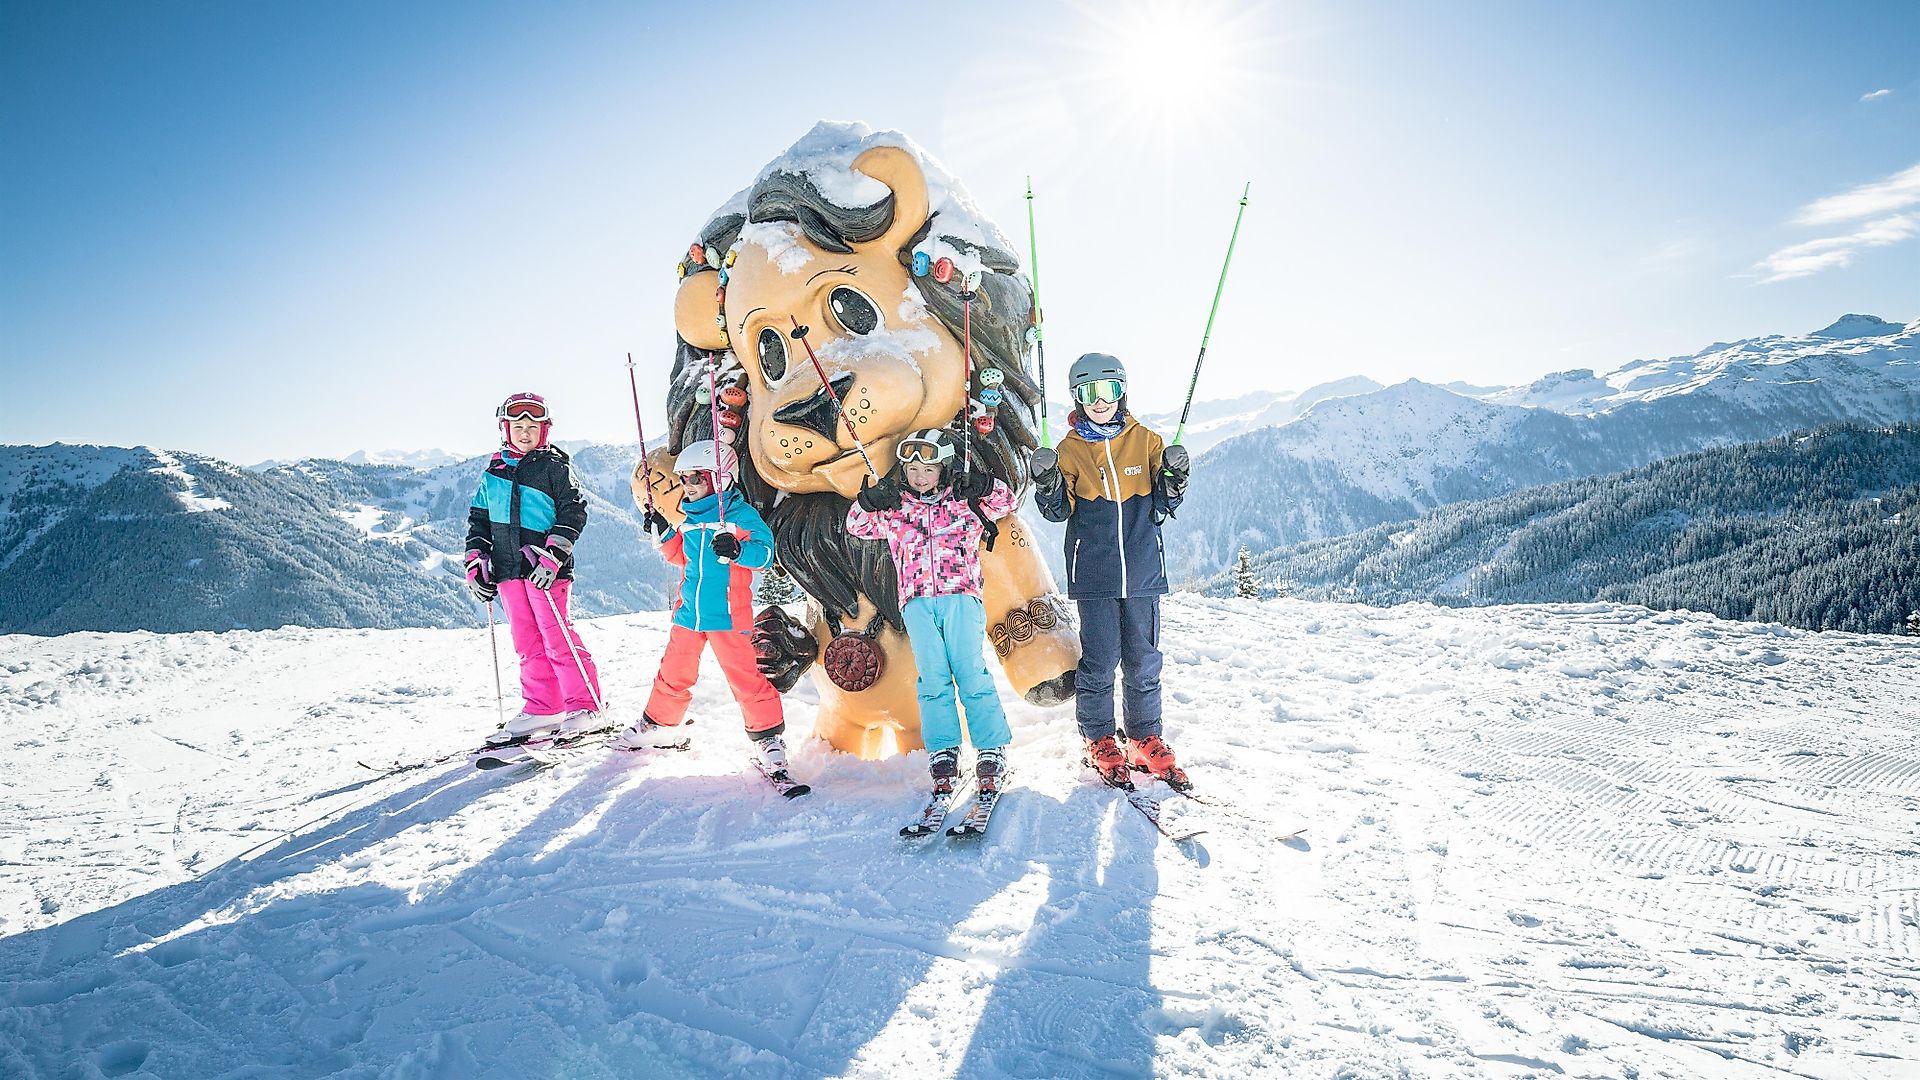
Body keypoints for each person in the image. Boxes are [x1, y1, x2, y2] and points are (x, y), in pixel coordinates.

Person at [1030, 354, 1194, 791]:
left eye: (1109, 390)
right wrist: (1047, 482)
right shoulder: (1069, 450)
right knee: (1100, 660)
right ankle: (1099, 737)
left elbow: (1165, 502)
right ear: (1077, 398)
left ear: (1123, 392)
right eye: (1089, 393)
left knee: (1143, 658)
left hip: (1142, 570)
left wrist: (1175, 476)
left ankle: (1144, 737)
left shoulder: (1146, 441)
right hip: (1095, 573)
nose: (1100, 401)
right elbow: (1057, 511)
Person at [845, 428, 1017, 803]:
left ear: (944, 468)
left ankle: (991, 747)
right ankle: (943, 749)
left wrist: (984, 485)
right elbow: (856, 525)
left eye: (928, 469)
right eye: (912, 469)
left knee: (971, 673)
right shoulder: (896, 510)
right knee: (933, 678)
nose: (920, 477)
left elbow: (1007, 502)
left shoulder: (964, 503)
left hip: (961, 598)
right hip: (917, 603)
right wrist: (870, 501)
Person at [611, 441, 799, 782]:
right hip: (689, 614)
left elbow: (764, 555)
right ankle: (661, 725)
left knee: (745, 676)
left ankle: (767, 738)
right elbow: (682, 558)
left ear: (720, 477)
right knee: (674, 671)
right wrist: (664, 534)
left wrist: (738, 550)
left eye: (696, 477)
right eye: (683, 478)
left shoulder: (739, 516)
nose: (688, 485)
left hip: (727, 615)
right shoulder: (689, 518)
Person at [465, 392, 605, 746]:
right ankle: (544, 707)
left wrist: (553, 555)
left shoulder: (553, 467)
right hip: (507, 569)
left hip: (545, 570)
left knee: (557, 638)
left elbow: (574, 510)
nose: (524, 433)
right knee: (527, 642)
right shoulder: (493, 473)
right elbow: (478, 520)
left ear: (544, 431)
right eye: (517, 427)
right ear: (505, 430)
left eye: (532, 427)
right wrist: (476, 561)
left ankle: (586, 705)